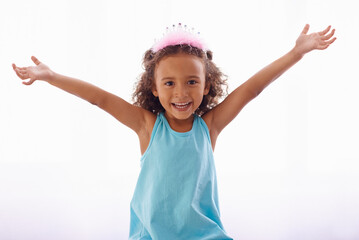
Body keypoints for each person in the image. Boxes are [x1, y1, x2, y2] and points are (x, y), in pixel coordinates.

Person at [12, 23, 336, 239]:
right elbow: (99, 98)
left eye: (192, 82)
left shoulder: (209, 126)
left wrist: (296, 52)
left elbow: (252, 89)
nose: (181, 93)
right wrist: (51, 76)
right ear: (153, 88)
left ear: (206, 85)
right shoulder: (148, 126)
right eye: (169, 83)